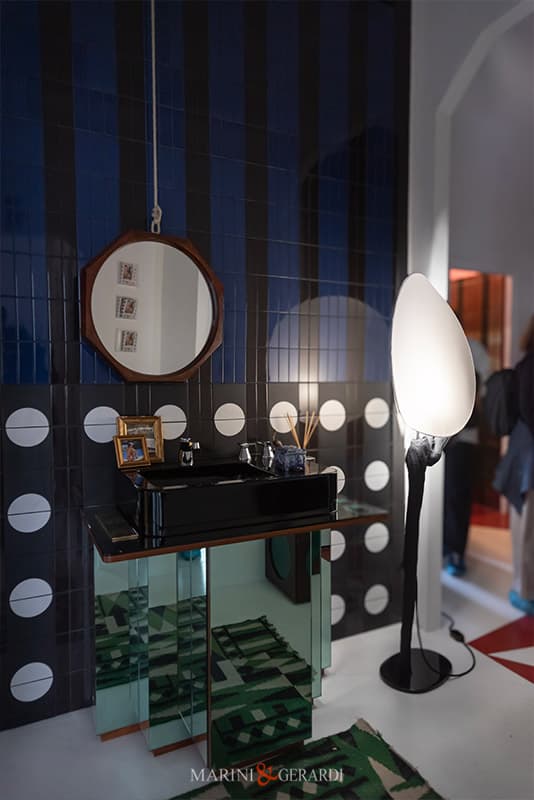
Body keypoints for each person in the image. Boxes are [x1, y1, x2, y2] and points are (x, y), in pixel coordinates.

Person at [493, 315, 534, 614]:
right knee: (527, 524)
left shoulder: (525, 364)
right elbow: (530, 410)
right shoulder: (530, 365)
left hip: (524, 450)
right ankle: (524, 590)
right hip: (528, 454)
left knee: (526, 522)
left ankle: (524, 586)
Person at [443, 338, 490, 576]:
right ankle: (448, 548)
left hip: (461, 437)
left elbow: (481, 392)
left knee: (455, 496)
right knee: (447, 496)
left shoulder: (473, 349)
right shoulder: (472, 349)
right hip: (444, 435)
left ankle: (455, 551)